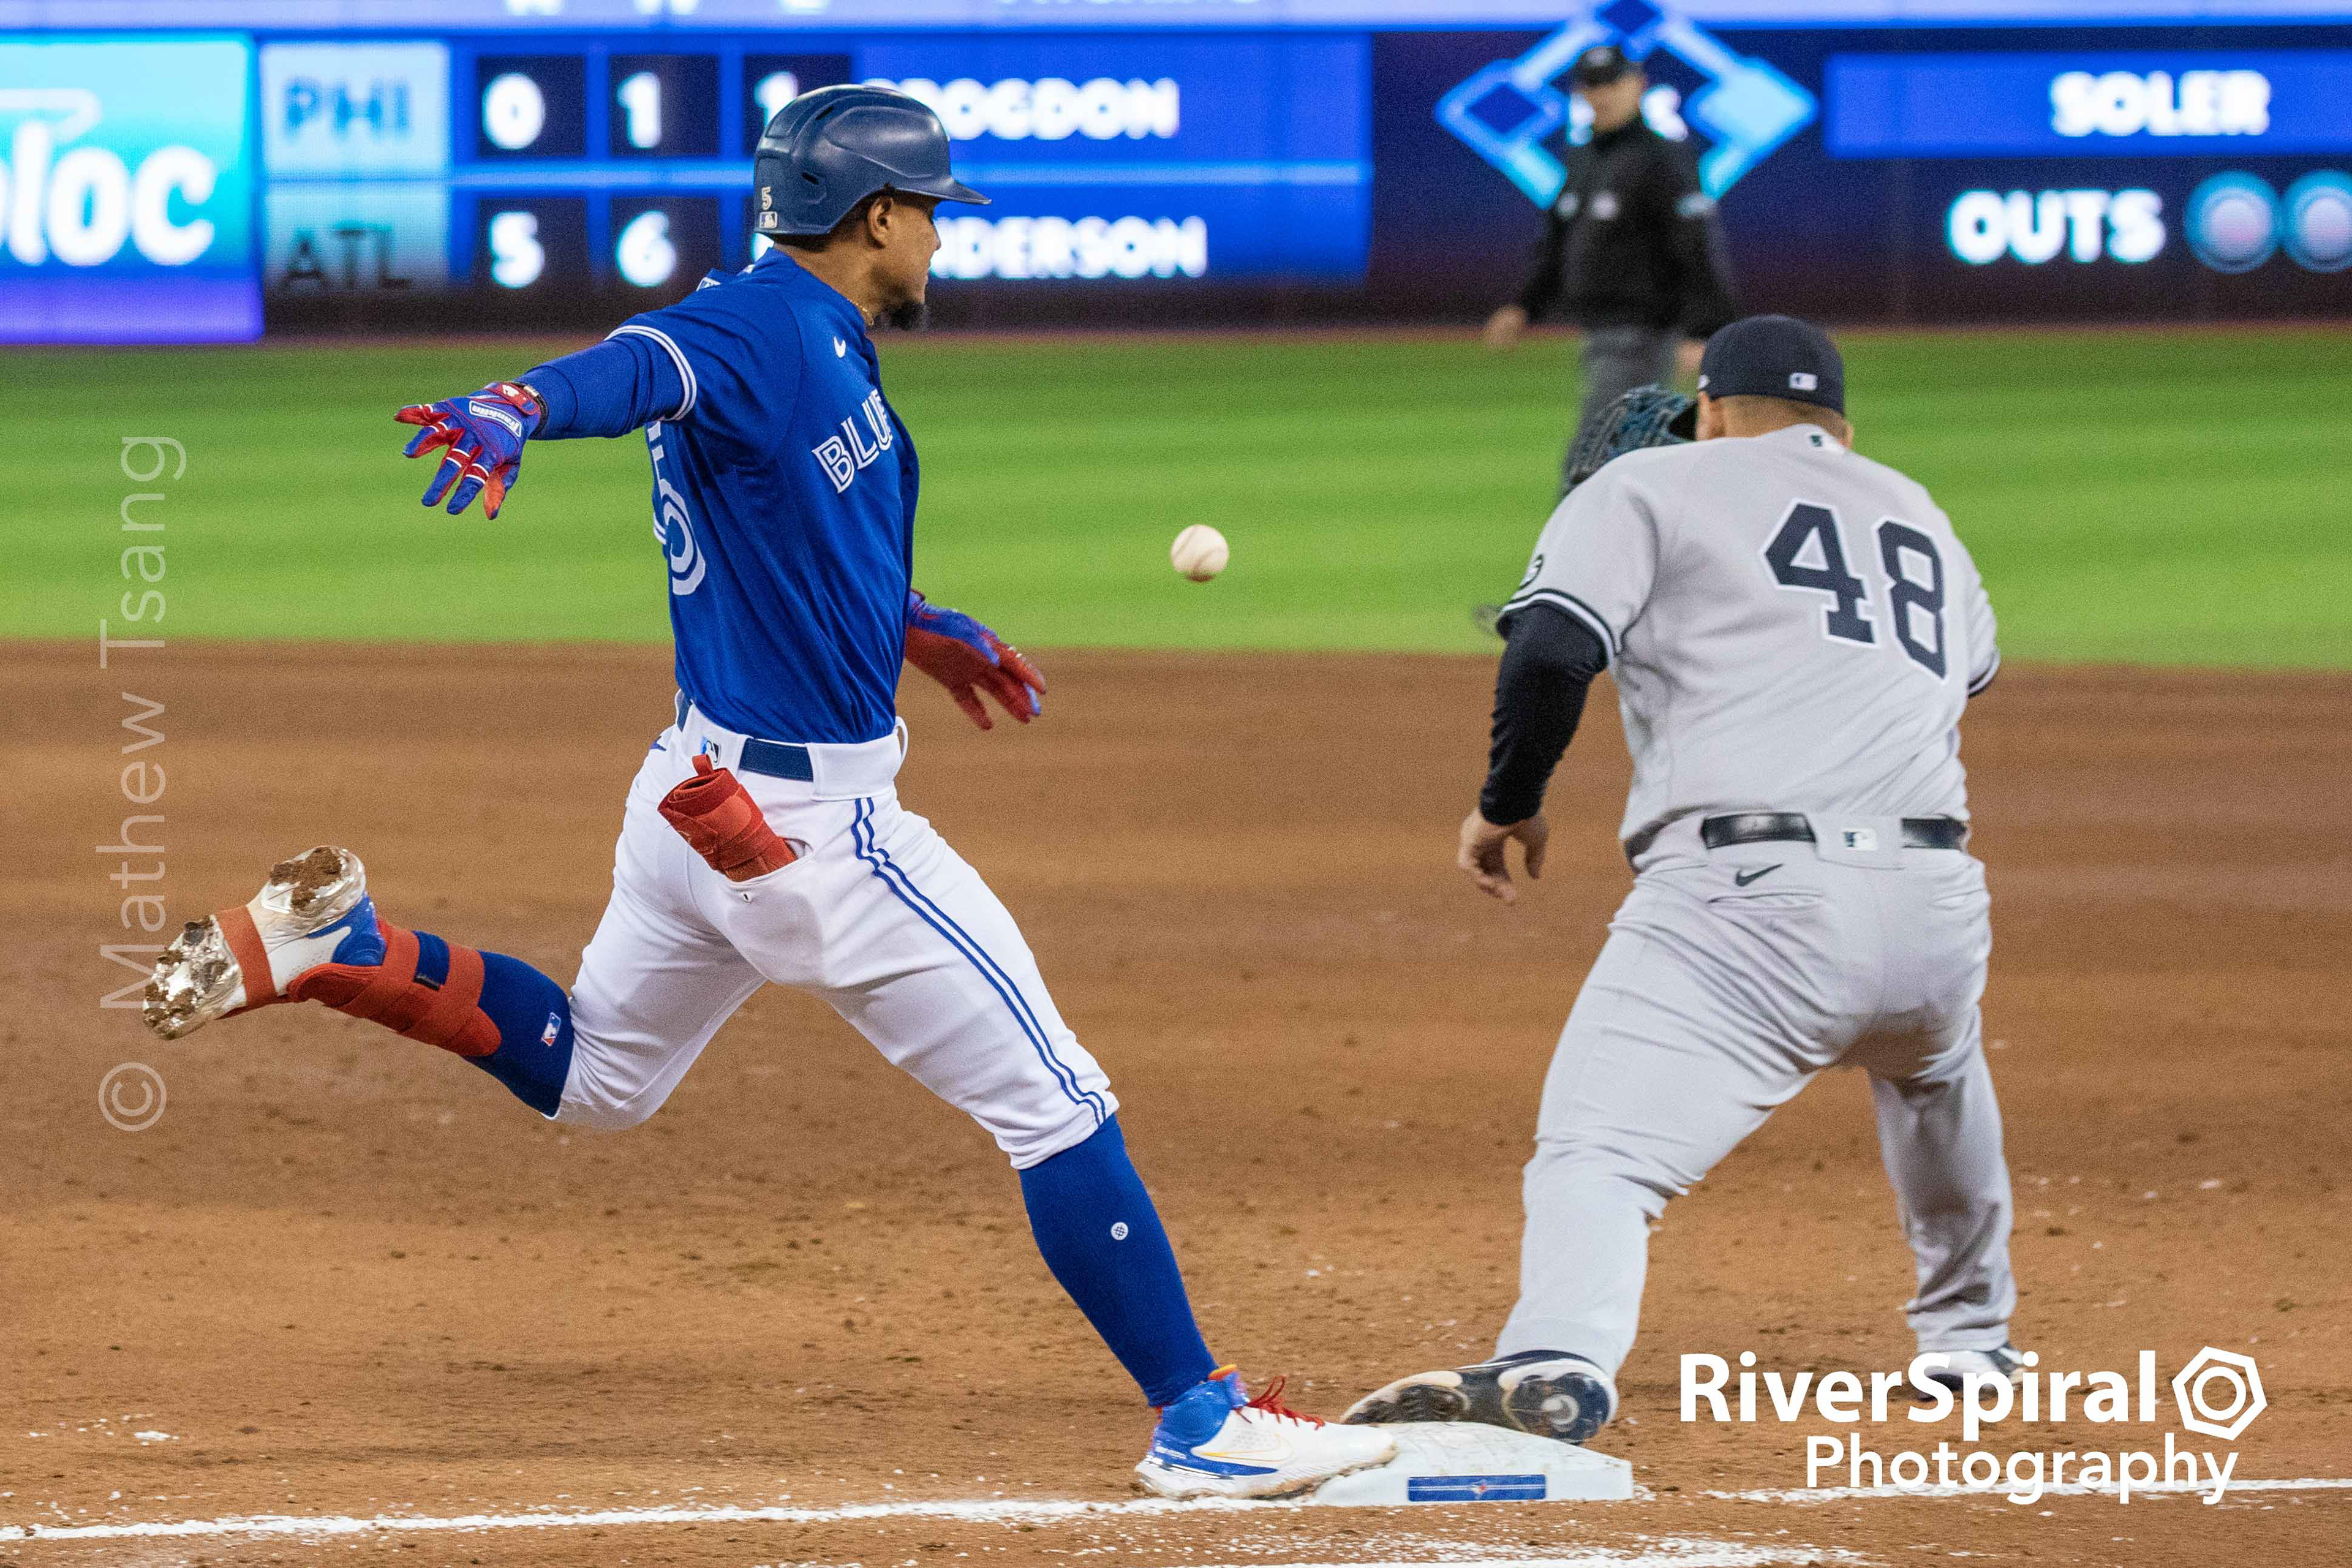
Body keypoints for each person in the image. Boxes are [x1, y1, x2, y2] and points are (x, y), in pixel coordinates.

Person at [138, 84, 1391, 1502]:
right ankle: (1199, 1418)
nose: (941, 238)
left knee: (600, 1071)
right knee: (1056, 1100)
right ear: (875, 217)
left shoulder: (802, 331)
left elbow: (783, 526)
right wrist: (517, 404)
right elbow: (635, 368)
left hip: (697, 794)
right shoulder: (765, 325)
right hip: (814, 835)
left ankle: (344, 951)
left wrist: (910, 621)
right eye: (932, 213)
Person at [1345, 317, 2022, 1445]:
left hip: (1751, 901)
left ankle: (1559, 1353)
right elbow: (1969, 673)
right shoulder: (1917, 509)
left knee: (1600, 1153)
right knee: (1933, 1067)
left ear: (1709, 406)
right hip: (1939, 897)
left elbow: (1552, 649)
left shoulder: (1651, 483)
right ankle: (1974, 1340)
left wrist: (1508, 803)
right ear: (1840, 426)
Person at [1482, 43, 1739, 489]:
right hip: (1601, 331)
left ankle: (1579, 558)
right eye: (1590, 85)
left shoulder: (1665, 158)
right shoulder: (1586, 158)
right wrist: (1524, 305)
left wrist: (1704, 330)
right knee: (1638, 461)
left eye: (1611, 84)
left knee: (1594, 464)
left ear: (1637, 86)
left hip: (1644, 331)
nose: (1601, 95)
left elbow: (1695, 246)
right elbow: (1559, 241)